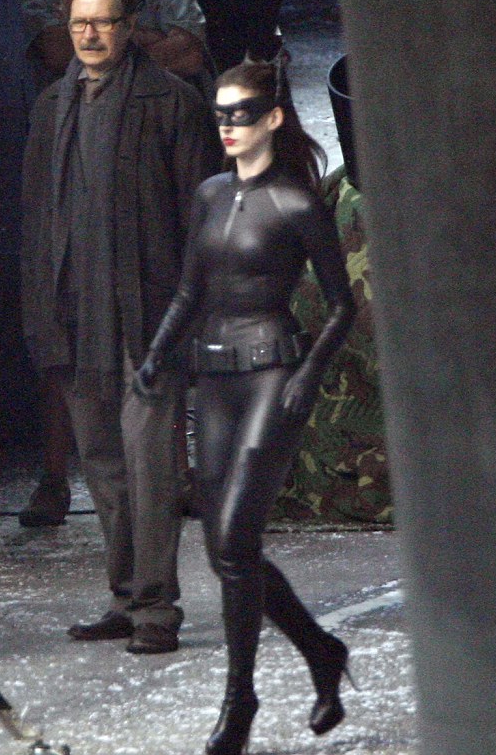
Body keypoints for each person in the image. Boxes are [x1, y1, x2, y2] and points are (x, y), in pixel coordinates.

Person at [134, 60, 357, 752]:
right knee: (227, 550)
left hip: (272, 374)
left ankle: (241, 701)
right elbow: (187, 291)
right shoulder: (209, 195)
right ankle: (321, 651)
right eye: (221, 113)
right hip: (214, 378)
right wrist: (157, 353)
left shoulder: (296, 204)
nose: (228, 125)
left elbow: (342, 305)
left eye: (242, 113)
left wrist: (308, 375)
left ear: (274, 118)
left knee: (233, 541)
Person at [20, 0, 221, 653]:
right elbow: (36, 223)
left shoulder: (172, 103)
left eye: (104, 22)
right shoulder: (52, 105)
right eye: (80, 23)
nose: (90, 35)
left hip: (147, 318)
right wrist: (41, 314)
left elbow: (200, 220)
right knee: (103, 464)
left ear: (129, 26)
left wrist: (190, 321)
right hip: (76, 316)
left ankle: (157, 610)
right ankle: (126, 595)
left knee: (151, 466)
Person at [19, 0, 207, 90]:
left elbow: (189, 56)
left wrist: (107, 42)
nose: (91, 33)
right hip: (78, 114)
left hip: (162, 112)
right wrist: (148, 37)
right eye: (80, 23)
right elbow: (57, 53)